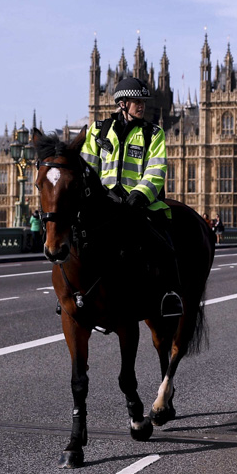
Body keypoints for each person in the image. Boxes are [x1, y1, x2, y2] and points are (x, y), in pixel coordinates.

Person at [80, 76, 182, 318]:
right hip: (104, 206)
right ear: (122, 103)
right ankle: (74, 294)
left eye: (144, 101)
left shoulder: (152, 133)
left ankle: (170, 296)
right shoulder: (98, 130)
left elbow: (156, 170)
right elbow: (87, 168)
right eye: (137, 101)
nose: (142, 105)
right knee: (75, 241)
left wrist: (138, 196)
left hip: (137, 206)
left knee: (166, 249)